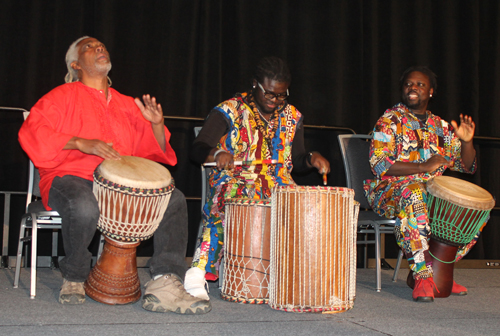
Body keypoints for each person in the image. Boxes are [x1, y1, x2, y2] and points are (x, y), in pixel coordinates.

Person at [18, 36, 211, 314]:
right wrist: (79, 142)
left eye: (102, 46)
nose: (99, 48)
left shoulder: (127, 104)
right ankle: (74, 275)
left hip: (115, 185)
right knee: (83, 205)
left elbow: (154, 154)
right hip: (70, 177)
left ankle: (165, 281)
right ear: (75, 64)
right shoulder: (60, 97)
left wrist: (157, 125)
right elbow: (32, 132)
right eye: (89, 47)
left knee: (174, 199)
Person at [184, 56, 330, 300]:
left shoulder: (293, 116)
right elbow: (197, 148)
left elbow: (297, 160)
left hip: (277, 183)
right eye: (270, 94)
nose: (275, 101)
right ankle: (198, 271)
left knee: (308, 206)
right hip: (235, 180)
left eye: (282, 95)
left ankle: (300, 276)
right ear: (255, 85)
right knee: (227, 201)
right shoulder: (229, 110)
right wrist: (217, 152)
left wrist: (312, 158)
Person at [364, 65, 481, 302]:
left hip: (426, 191)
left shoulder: (440, 127)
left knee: (473, 207)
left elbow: (466, 166)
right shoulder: (389, 120)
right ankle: (422, 275)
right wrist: (421, 168)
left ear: (431, 92)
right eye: (408, 84)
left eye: (420, 84)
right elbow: (379, 165)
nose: (413, 88)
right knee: (414, 193)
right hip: (387, 191)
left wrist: (467, 142)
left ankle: (440, 269)